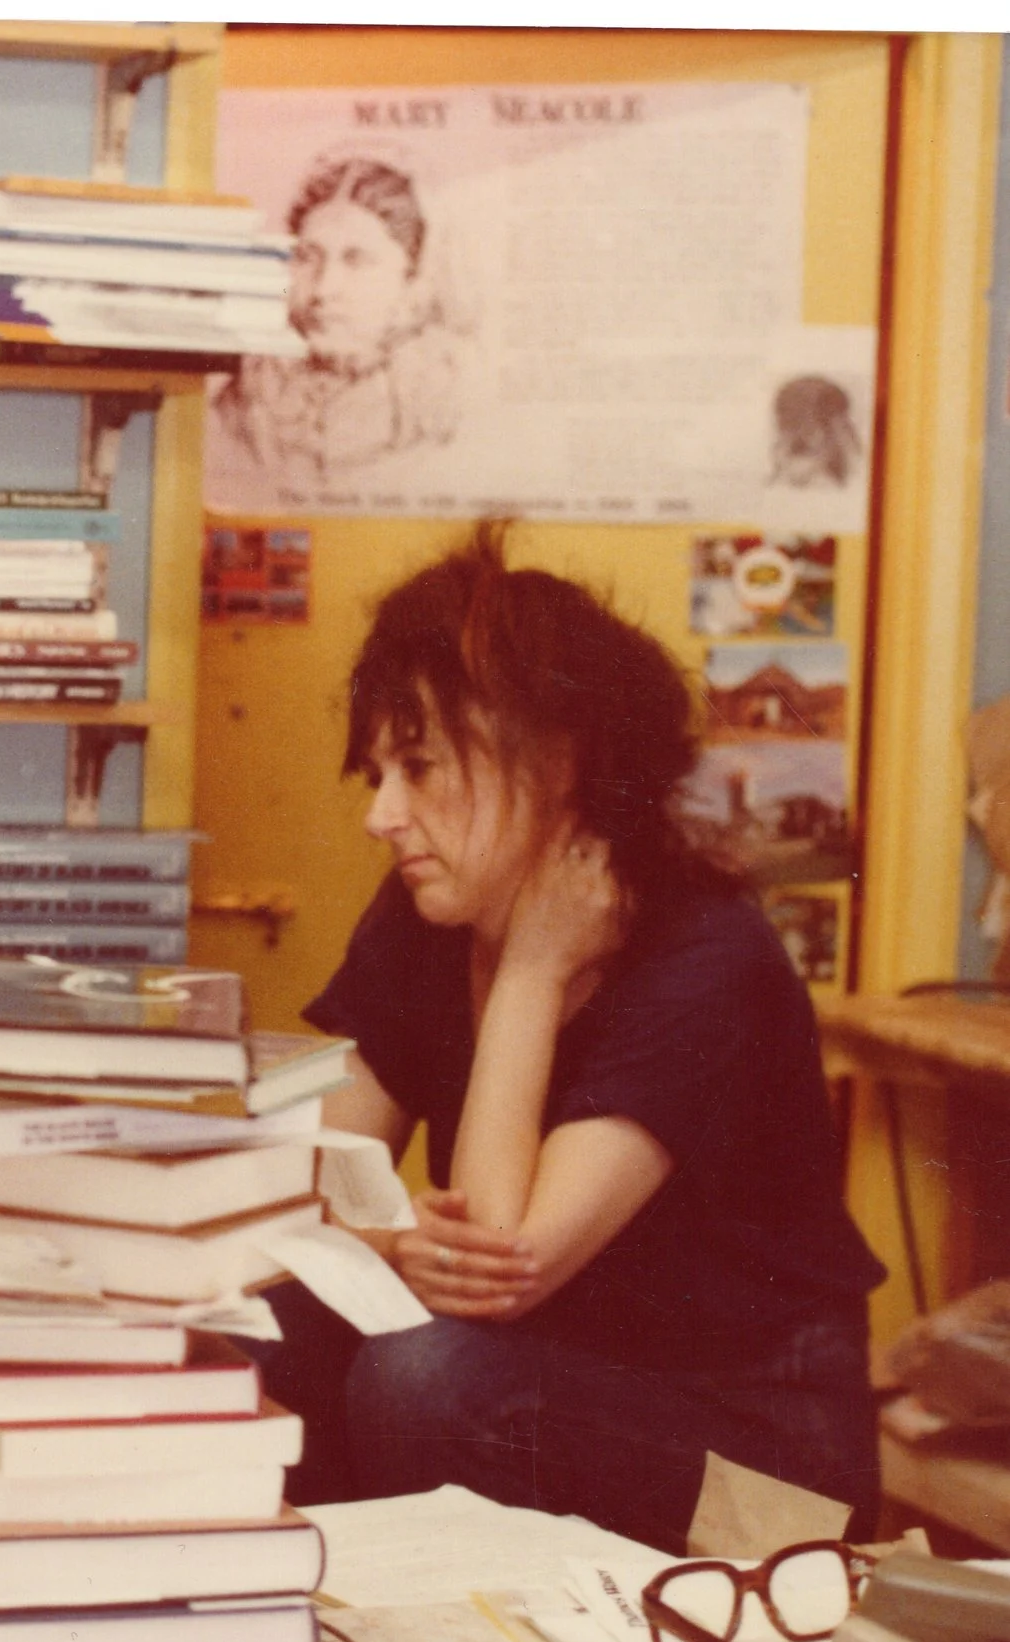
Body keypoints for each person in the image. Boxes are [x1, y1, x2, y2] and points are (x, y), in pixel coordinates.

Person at [251, 524, 884, 1552]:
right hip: (553, 1389)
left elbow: (504, 1261)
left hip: (771, 1487)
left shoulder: (706, 956)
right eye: (376, 774)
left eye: (416, 768)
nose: (382, 815)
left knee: (423, 1375)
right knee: (264, 1328)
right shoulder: (428, 907)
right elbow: (297, 1177)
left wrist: (532, 972)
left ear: (556, 760)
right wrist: (388, 1243)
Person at [213, 156, 463, 486]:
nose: (323, 290)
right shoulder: (242, 403)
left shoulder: (442, 404)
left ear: (410, 281)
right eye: (307, 257)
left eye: (356, 260)